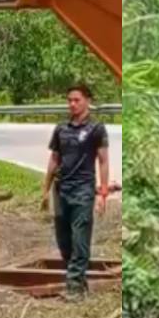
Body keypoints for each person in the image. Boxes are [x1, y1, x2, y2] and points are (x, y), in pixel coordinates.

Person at [42, 82, 112, 301]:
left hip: (83, 190)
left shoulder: (96, 129)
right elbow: (54, 159)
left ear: (87, 100)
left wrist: (102, 193)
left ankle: (74, 288)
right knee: (64, 240)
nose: (72, 104)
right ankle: (79, 282)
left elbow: (103, 161)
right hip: (61, 189)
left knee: (80, 238)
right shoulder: (61, 129)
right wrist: (44, 190)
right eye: (69, 100)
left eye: (76, 100)